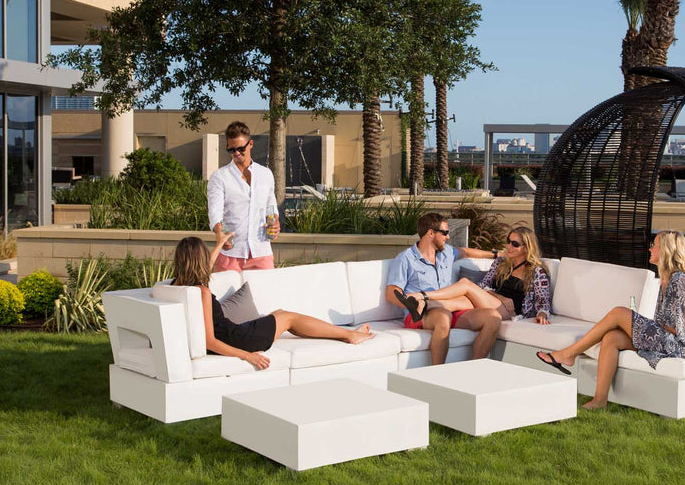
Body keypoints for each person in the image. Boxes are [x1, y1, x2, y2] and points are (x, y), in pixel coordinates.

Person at [536, 230, 685, 409]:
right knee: (612, 338)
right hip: (667, 339)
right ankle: (600, 400)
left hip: (681, 347)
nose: (650, 249)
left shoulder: (679, 281)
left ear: (666, 250)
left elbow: (679, 330)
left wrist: (639, 327)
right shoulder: (666, 280)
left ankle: (568, 354)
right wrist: (640, 328)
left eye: (654, 245)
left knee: (619, 313)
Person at [173, 235, 374, 371]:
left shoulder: (176, 286)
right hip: (237, 340)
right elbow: (210, 340)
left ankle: (346, 334)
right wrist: (247, 356)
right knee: (288, 317)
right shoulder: (202, 292)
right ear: (199, 259)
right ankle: (349, 335)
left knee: (278, 314)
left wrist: (220, 244)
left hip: (233, 334)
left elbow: (205, 267)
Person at [385, 212, 503, 365]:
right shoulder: (406, 258)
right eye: (445, 233)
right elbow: (391, 293)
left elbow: (466, 252)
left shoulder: (446, 252)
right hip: (421, 315)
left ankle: (474, 368)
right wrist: (409, 303)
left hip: (450, 308)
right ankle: (438, 372)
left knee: (493, 317)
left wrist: (495, 254)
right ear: (430, 233)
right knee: (443, 316)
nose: (448, 237)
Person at [396, 226, 552, 324]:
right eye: (509, 241)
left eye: (515, 244)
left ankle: (422, 296)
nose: (509, 246)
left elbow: (543, 301)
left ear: (527, 248)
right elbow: (483, 285)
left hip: (512, 311)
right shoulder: (501, 263)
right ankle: (421, 305)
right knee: (460, 301)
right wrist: (499, 296)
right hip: (494, 302)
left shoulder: (536, 272)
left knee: (465, 283)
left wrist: (543, 314)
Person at [207, 121, 280, 273]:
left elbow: (270, 206)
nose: (237, 153)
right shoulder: (219, 177)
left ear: (251, 144)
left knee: (265, 296)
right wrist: (219, 231)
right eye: (231, 149)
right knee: (225, 297)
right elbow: (215, 212)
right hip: (231, 254)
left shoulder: (265, 174)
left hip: (262, 252)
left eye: (241, 148)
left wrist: (275, 222)